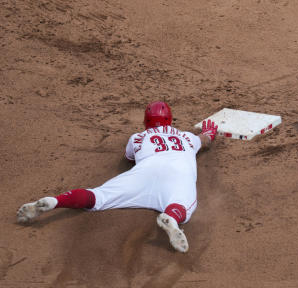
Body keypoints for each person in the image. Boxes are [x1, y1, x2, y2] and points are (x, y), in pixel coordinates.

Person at [16, 101, 219, 253]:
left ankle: (56, 200)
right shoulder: (187, 137)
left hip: (145, 171)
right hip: (178, 173)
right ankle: (172, 219)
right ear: (170, 120)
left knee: (99, 196)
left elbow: (130, 157)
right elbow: (205, 140)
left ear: (146, 121)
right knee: (182, 204)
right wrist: (209, 132)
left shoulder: (137, 137)